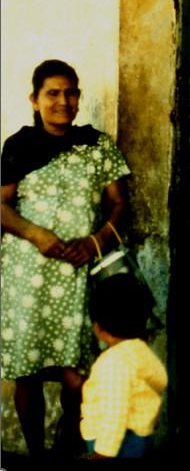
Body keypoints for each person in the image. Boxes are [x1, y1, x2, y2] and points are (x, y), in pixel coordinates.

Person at [1, 59, 130, 458]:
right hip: (28, 271)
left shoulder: (97, 145)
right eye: (52, 93)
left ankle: (65, 447)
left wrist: (93, 243)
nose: (63, 101)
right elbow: (1, 205)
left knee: (76, 371)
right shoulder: (18, 146)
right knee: (28, 368)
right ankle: (37, 455)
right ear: (35, 100)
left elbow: (119, 205)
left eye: (70, 92)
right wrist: (36, 234)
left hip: (79, 269)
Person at [81, 273, 168, 459]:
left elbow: (114, 414)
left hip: (115, 442)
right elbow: (160, 380)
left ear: (99, 329)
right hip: (140, 434)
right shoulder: (141, 351)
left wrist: (102, 454)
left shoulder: (112, 364)